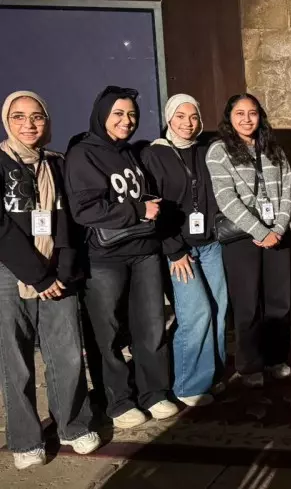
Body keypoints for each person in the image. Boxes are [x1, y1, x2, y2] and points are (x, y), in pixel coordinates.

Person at [65, 85, 178, 428]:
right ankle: (118, 401)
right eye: (118, 113)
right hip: (105, 258)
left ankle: (153, 392)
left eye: (131, 114)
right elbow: (85, 210)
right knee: (108, 334)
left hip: (144, 252)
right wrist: (138, 210)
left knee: (151, 326)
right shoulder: (83, 154)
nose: (126, 120)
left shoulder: (129, 153)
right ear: (102, 115)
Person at [0, 91, 100, 469]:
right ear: (7, 121)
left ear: (47, 122)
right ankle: (26, 440)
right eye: (19, 117)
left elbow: (69, 222)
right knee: (15, 359)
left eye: (37, 116)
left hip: (58, 271)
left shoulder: (56, 163)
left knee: (67, 352)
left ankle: (73, 425)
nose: (29, 124)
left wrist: (62, 270)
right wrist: (37, 276)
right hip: (10, 272)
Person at [141, 94, 228, 406]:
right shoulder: (154, 154)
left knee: (218, 310)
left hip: (210, 243)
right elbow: (154, 207)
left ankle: (213, 375)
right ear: (168, 118)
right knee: (195, 312)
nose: (187, 123)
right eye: (180, 116)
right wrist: (174, 250)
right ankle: (188, 385)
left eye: (193, 117)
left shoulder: (207, 149)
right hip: (179, 249)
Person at [206, 93, 291, 386]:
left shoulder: (273, 148)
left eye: (252, 113)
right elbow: (226, 198)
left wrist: (278, 228)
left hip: (277, 234)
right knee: (248, 303)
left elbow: (287, 189)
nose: (246, 119)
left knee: (278, 301)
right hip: (243, 237)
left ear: (260, 116)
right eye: (240, 113)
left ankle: (276, 357)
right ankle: (250, 364)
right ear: (229, 118)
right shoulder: (219, 151)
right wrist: (260, 231)